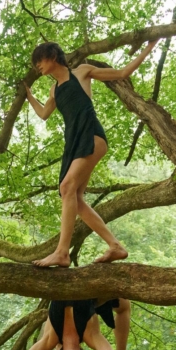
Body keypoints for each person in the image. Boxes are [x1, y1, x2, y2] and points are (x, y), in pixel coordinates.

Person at [25, 41, 157, 266]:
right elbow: (44, 113)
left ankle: (62, 252)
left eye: (41, 59)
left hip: (92, 136)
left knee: (66, 187)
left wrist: (149, 46)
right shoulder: (54, 90)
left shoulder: (81, 73)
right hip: (74, 143)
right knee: (74, 197)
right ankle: (115, 246)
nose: (37, 65)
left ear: (54, 56)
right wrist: (28, 95)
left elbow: (123, 72)